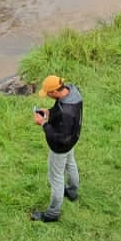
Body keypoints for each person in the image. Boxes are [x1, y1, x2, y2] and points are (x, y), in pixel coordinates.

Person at [29, 75, 82, 222]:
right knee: (71, 163)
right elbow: (61, 107)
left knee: (56, 178)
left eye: (48, 94)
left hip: (61, 146)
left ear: (54, 92)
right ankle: (72, 191)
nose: (47, 96)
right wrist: (50, 113)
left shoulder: (67, 113)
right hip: (73, 138)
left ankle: (52, 214)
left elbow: (60, 138)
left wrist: (43, 124)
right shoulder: (72, 91)